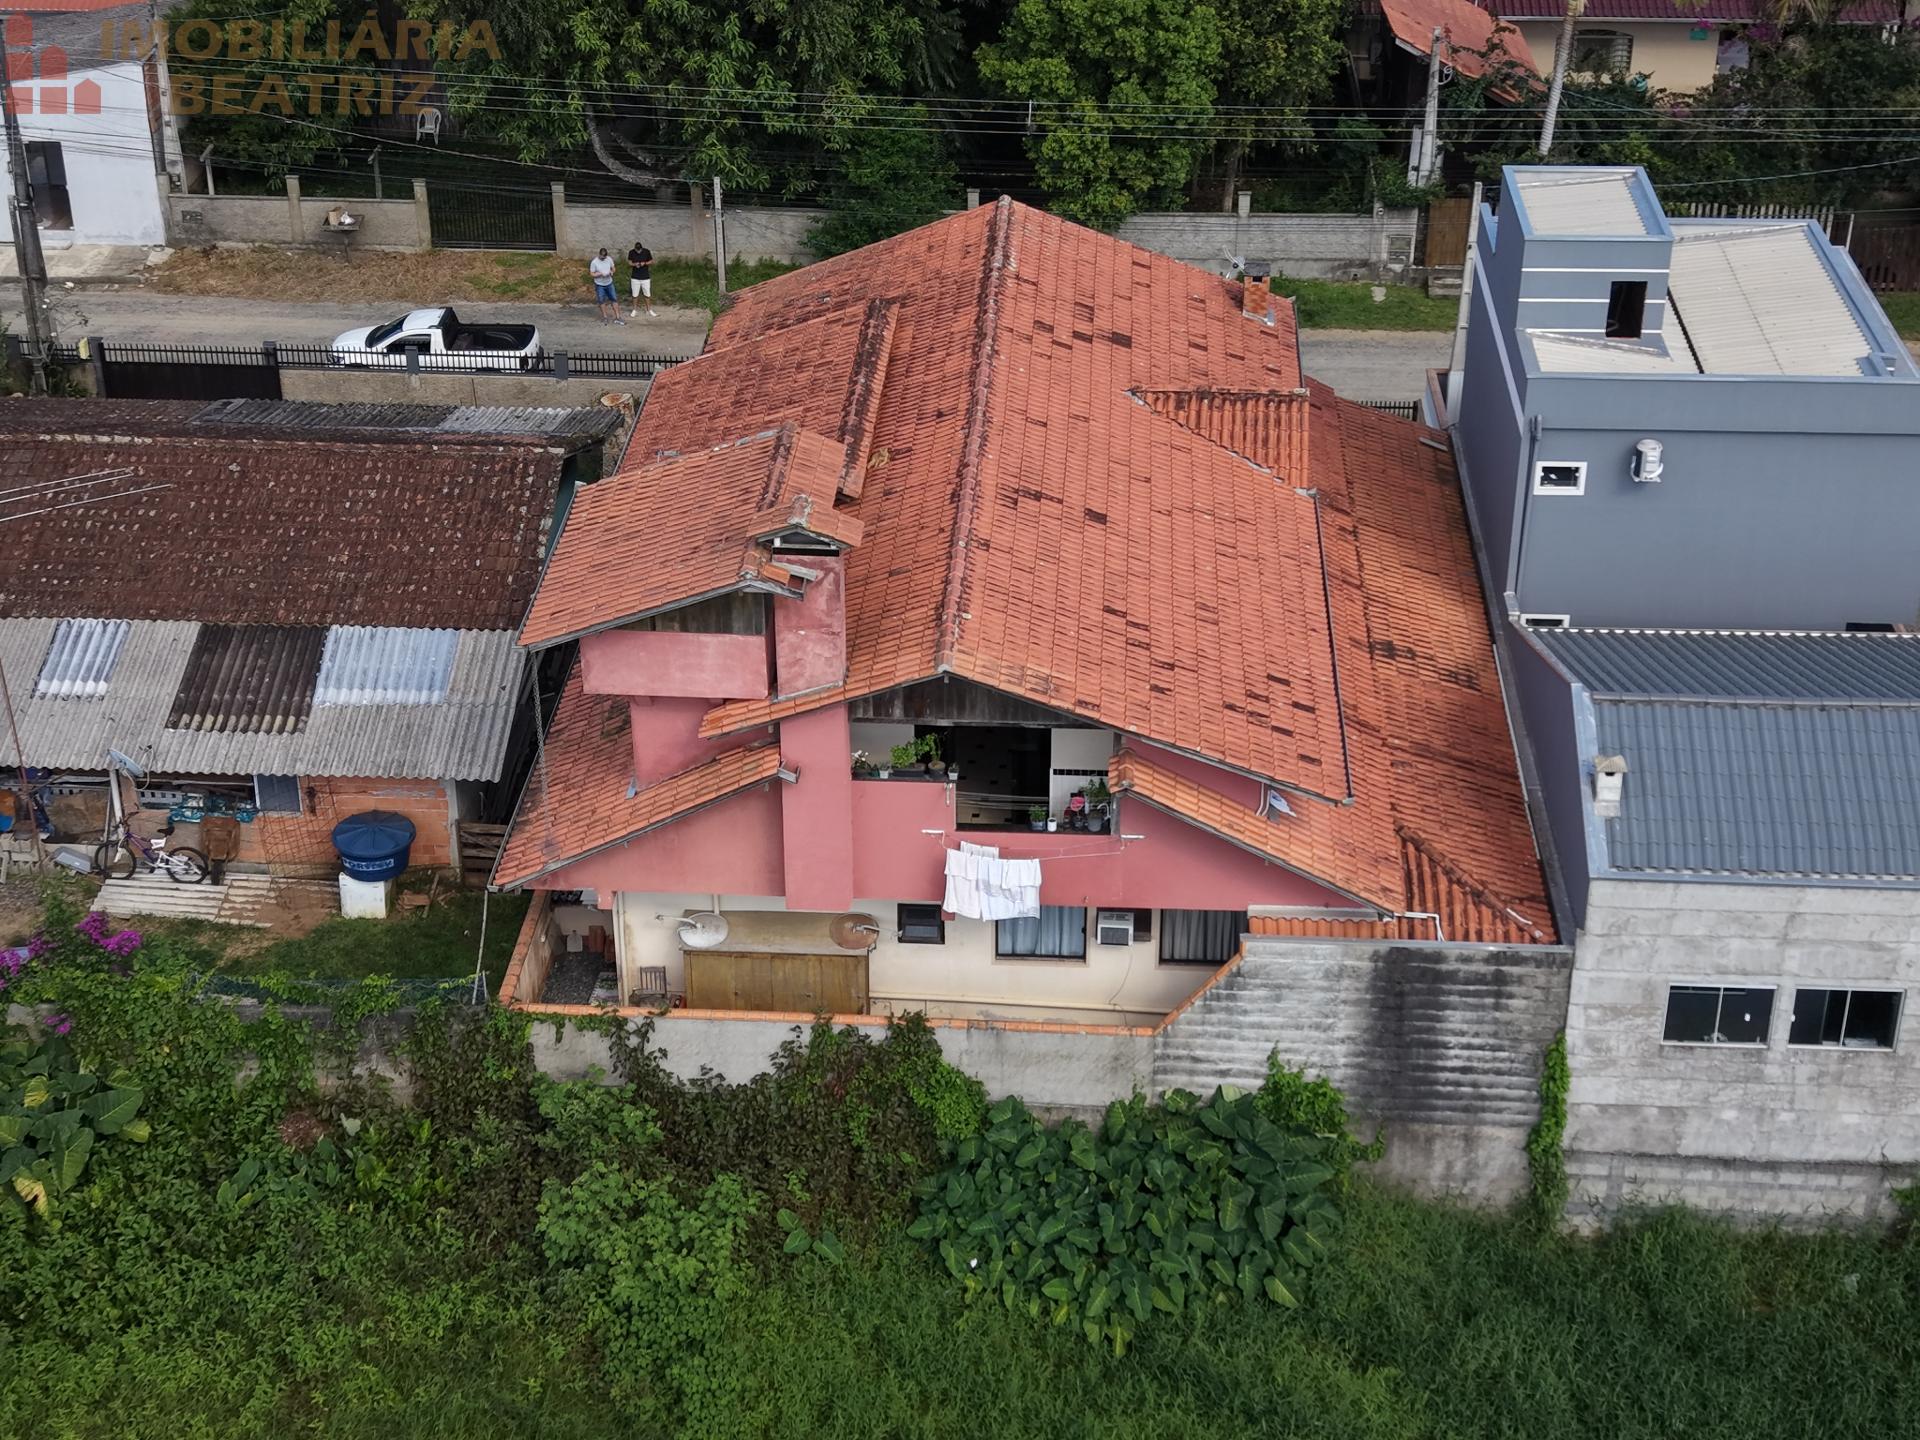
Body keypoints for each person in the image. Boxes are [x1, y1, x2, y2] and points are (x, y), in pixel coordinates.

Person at [589, 248, 623, 325]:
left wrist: (611, 272)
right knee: (601, 300)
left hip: (609, 283)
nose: (603, 258)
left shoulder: (609, 259)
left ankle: (618, 317)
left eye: (604, 257)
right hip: (599, 284)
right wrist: (600, 274)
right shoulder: (594, 262)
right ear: (599, 254)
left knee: (614, 299)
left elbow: (613, 268)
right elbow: (591, 273)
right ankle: (605, 317)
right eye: (602, 257)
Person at [628, 239, 656, 318]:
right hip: (635, 277)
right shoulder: (631, 252)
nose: (638, 252)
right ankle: (634, 310)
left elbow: (651, 261)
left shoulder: (646, 251)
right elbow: (629, 262)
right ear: (635, 248)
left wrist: (645, 263)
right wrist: (634, 264)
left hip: (645, 277)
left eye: (639, 250)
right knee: (635, 295)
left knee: (647, 294)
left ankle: (649, 310)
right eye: (637, 250)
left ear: (641, 248)